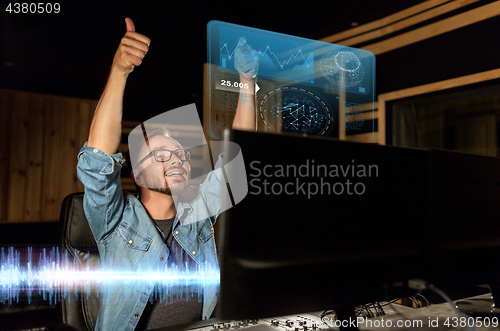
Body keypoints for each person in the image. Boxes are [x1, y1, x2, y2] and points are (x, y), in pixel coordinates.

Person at [76, 18, 255, 330]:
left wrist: (247, 82)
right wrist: (120, 71)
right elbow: (98, 159)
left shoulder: (198, 213)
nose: (175, 159)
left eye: (180, 154)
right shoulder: (115, 220)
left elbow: (235, 162)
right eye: (159, 155)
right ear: (137, 174)